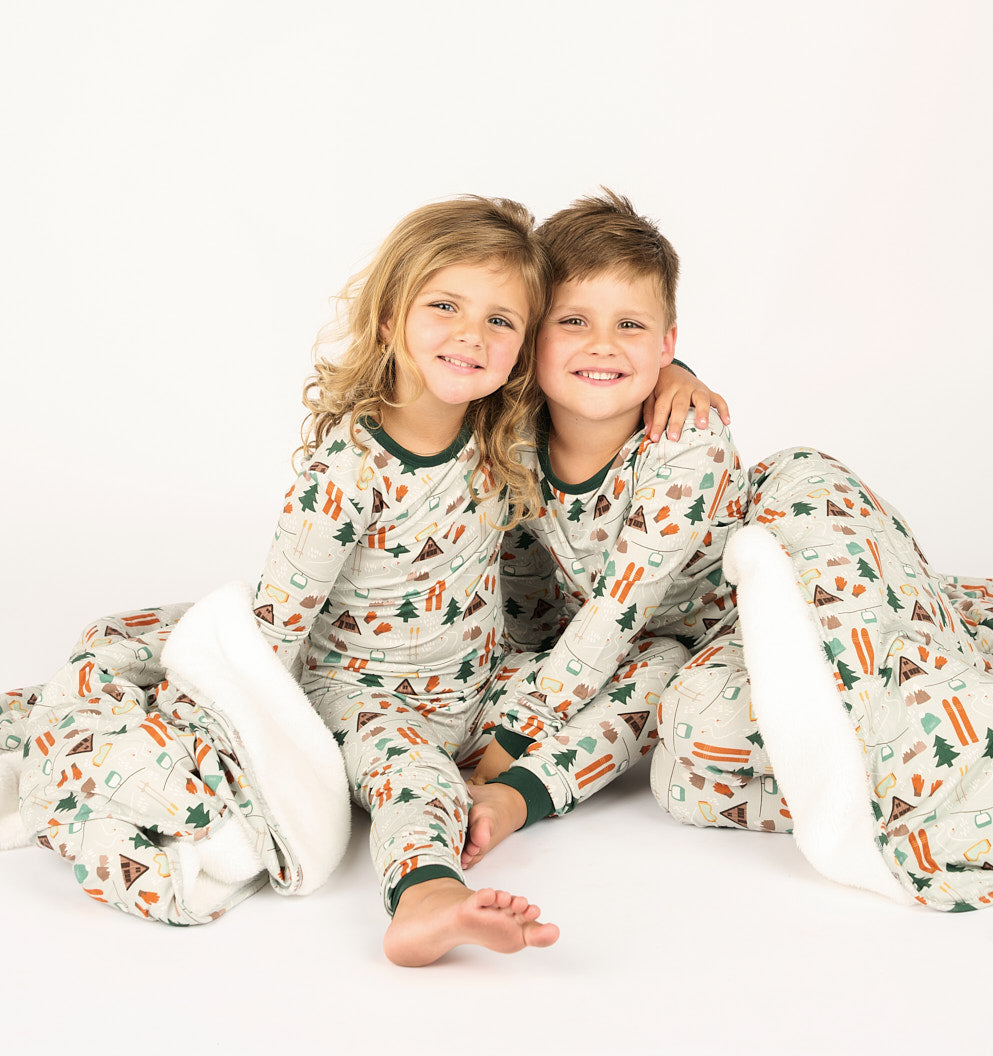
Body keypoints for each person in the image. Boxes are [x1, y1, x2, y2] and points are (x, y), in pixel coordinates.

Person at [250, 194, 719, 963]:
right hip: (367, 694)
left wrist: (679, 375)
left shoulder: (501, 426)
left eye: (501, 322)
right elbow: (274, 626)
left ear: (522, 347)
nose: (472, 335)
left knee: (660, 664)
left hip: (480, 686)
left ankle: (515, 793)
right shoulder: (347, 472)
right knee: (416, 780)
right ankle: (429, 899)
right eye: (444, 307)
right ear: (386, 320)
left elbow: (604, 358)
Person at [463, 190, 751, 865]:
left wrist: (510, 745)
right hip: (578, 646)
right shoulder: (509, 426)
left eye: (630, 326)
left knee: (661, 671)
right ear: (532, 333)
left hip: (693, 639)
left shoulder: (686, 441)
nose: (602, 346)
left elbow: (619, 617)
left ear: (667, 344)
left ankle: (519, 795)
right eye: (573, 321)